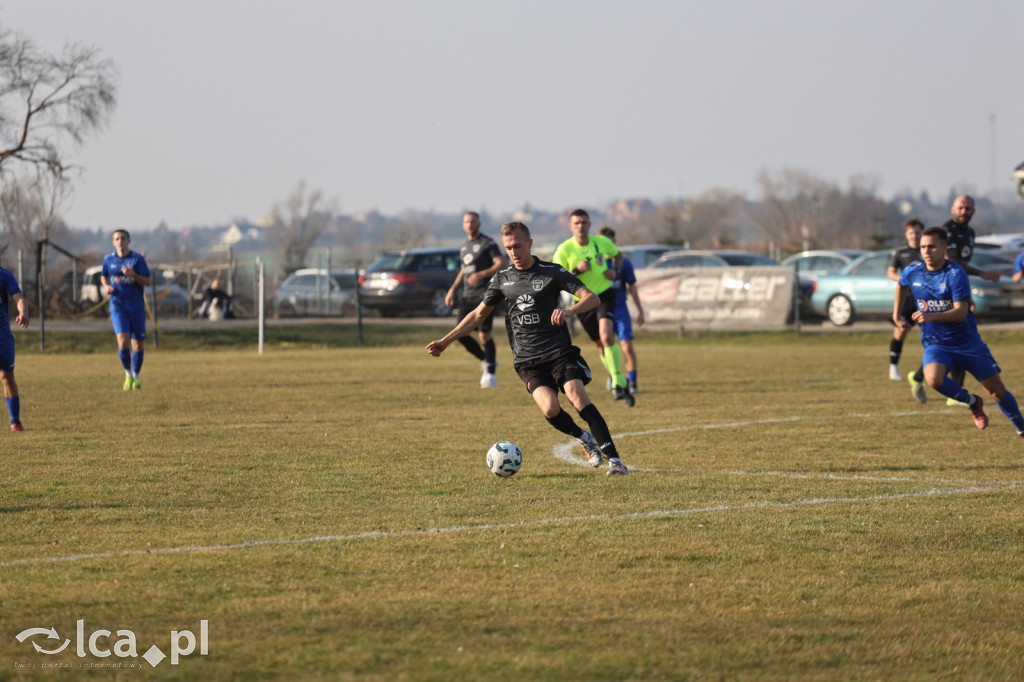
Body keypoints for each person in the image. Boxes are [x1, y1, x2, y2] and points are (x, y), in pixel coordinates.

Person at [427, 221, 629, 475]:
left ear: (530, 243)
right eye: (508, 248)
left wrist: (569, 310)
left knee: (577, 396)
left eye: (518, 246)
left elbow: (592, 297)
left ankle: (615, 460)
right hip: (527, 359)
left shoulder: (551, 272)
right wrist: (445, 341)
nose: (513, 252)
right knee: (550, 409)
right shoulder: (502, 279)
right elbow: (478, 315)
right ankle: (583, 437)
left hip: (559, 351)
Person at [894, 226, 1024, 440]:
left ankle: (1021, 427)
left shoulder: (955, 273)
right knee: (933, 380)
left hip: (967, 343)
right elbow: (901, 285)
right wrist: (896, 315)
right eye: (923, 247)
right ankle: (973, 402)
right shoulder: (913, 271)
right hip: (936, 343)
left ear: (943, 247)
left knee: (997, 391)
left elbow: (961, 313)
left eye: (932, 247)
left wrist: (930, 315)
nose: (926, 251)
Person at [552, 209, 634, 407]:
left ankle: (615, 382)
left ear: (589, 225)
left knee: (607, 337)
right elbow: (557, 277)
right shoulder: (564, 250)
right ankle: (620, 380)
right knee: (600, 345)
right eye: (577, 223)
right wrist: (576, 271)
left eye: (584, 222)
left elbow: (618, 255)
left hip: (603, 295)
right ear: (570, 226)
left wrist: (614, 269)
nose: (581, 226)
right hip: (582, 302)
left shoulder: (601, 242)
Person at [941, 194, 1000, 405]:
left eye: (968, 208)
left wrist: (967, 293)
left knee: (959, 335)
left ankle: (952, 390)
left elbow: (961, 268)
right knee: (950, 338)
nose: (964, 211)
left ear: (973, 211)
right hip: (943, 290)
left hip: (958, 288)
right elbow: (954, 262)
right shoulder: (947, 231)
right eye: (960, 207)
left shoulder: (970, 232)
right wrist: (982, 274)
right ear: (952, 209)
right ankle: (925, 378)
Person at [444, 211, 506, 388]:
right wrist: (452, 289)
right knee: (460, 333)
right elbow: (464, 270)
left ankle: (491, 376)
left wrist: (481, 274)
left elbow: (501, 263)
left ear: (479, 224)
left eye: (473, 221)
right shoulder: (464, 246)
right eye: (466, 221)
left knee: (484, 336)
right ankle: (487, 361)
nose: (470, 224)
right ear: (463, 225)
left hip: (485, 295)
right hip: (466, 296)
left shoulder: (488, 243)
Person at [101, 229, 151, 391]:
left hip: (136, 306)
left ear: (129, 240)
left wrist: (133, 275)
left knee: (137, 344)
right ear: (113, 242)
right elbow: (104, 275)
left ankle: (136, 376)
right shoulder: (109, 259)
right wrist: (106, 286)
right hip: (118, 306)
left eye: (123, 238)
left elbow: (148, 281)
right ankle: (128, 374)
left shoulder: (137, 259)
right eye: (117, 239)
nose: (120, 241)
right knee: (123, 341)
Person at [598, 226, 645, 393]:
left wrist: (640, 310)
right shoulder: (597, 263)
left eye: (609, 241)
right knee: (604, 347)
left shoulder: (623, 263)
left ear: (614, 242)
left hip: (620, 310)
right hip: (601, 310)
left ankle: (632, 383)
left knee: (626, 347)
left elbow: (632, 288)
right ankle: (615, 377)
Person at [885, 218, 924, 387]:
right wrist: (904, 280)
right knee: (900, 332)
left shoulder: (927, 250)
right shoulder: (900, 252)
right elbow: (890, 272)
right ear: (906, 234)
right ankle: (893, 366)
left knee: (932, 336)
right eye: (911, 232)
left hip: (925, 300)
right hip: (907, 300)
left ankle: (925, 370)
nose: (914, 235)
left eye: (917, 232)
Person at [0, 265, 30, 431]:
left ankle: (15, 421)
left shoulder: (4, 275)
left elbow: (18, 298)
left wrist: (23, 313)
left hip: (2, 334)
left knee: (7, 376)